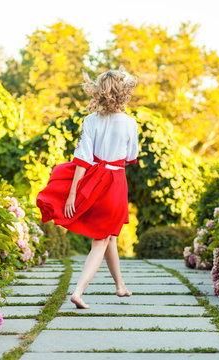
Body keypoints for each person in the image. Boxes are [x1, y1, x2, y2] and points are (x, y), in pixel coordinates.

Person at [36, 68, 139, 309]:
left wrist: (73, 192)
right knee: (101, 241)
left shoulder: (90, 120)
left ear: (99, 92)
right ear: (124, 93)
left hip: (92, 181)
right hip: (115, 183)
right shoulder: (130, 123)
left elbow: (82, 158)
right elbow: (131, 156)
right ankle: (78, 292)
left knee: (109, 236)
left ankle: (120, 286)